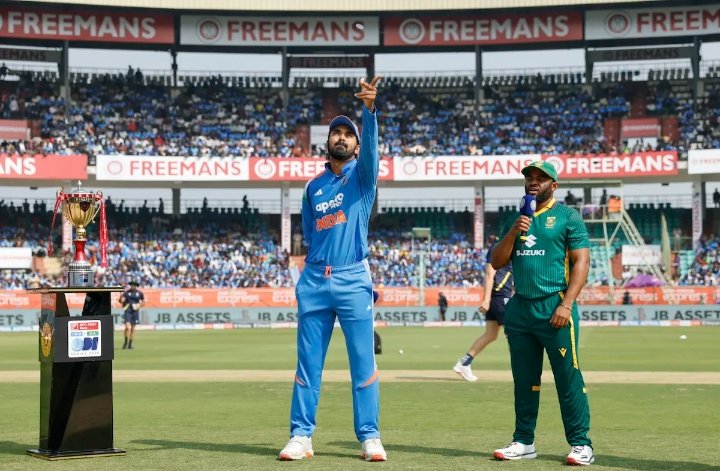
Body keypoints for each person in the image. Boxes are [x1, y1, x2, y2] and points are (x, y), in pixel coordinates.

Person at [278, 76, 386, 462]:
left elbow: (372, 150)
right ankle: (301, 436)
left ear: (356, 145)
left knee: (363, 363)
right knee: (308, 364)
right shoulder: (313, 187)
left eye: (348, 134)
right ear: (327, 141)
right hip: (314, 280)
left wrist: (369, 112)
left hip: (353, 277)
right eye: (336, 133)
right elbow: (310, 235)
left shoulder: (363, 177)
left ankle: (370, 437)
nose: (341, 138)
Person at [490, 160, 594, 466]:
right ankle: (524, 441)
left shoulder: (567, 216)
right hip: (520, 308)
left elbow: (582, 262)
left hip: (555, 305)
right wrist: (514, 231)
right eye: (530, 177)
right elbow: (496, 261)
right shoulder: (515, 218)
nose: (534, 181)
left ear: (554, 185)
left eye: (541, 178)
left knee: (567, 377)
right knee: (524, 380)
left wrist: (567, 304)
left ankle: (581, 444)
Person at [453, 240, 513, 382]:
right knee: (513, 333)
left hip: (499, 296)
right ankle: (522, 370)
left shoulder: (512, 245)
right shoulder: (498, 246)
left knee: (491, 334)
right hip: (499, 296)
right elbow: (489, 273)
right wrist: (486, 299)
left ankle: (464, 363)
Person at [119, 281, 145, 350]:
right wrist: (121, 294)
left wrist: (138, 306)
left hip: (135, 311)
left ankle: (130, 344)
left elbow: (143, 302)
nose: (133, 286)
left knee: (133, 329)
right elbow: (121, 301)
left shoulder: (139, 293)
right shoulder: (126, 293)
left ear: (136, 286)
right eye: (132, 285)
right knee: (127, 327)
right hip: (128, 310)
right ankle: (125, 342)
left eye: (134, 285)